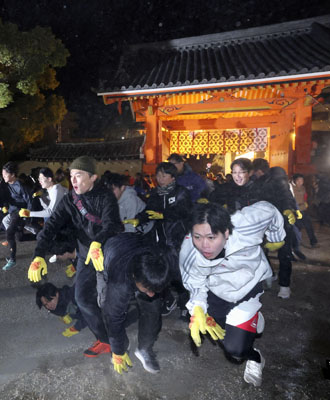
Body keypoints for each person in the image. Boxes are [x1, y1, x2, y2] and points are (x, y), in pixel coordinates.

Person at [179, 201, 285, 387]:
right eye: (197, 236)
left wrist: (277, 236)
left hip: (249, 285)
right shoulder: (189, 252)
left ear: (226, 232)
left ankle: (256, 358)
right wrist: (197, 309)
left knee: (235, 349)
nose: (204, 245)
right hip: (218, 291)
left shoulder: (246, 224)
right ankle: (250, 322)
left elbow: (269, 209)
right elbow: (196, 285)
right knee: (216, 331)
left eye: (211, 237)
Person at [27, 155, 123, 357]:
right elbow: (51, 225)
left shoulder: (105, 197)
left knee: (110, 300)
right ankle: (104, 340)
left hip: (108, 251)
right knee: (82, 298)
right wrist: (38, 255)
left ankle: (121, 340)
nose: (73, 180)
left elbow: (113, 225)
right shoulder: (71, 199)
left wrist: (99, 240)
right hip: (86, 254)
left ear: (93, 177)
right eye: (71, 176)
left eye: (78, 175)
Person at [124, 162, 192, 318]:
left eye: (163, 175)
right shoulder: (156, 193)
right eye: (158, 175)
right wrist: (138, 220)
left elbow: (184, 212)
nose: (159, 179)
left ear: (173, 177)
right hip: (161, 240)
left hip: (178, 240)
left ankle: (187, 305)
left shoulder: (181, 193)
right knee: (162, 273)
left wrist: (165, 215)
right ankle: (168, 301)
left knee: (181, 275)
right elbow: (149, 210)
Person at [98, 233, 170, 374]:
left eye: (154, 289)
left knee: (153, 307)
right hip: (110, 252)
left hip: (140, 243)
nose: (151, 293)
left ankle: (144, 348)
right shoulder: (120, 283)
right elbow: (113, 318)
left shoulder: (164, 261)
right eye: (147, 289)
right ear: (133, 278)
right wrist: (118, 350)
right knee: (106, 307)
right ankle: (124, 345)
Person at [1, 161, 33, 270]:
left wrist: (27, 215)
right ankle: (40, 236)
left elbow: (29, 200)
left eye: (5, 174)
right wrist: (4, 205)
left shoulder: (20, 186)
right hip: (12, 211)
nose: (3, 176)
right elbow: (4, 197)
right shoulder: (5, 184)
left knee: (10, 232)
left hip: (19, 212)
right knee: (20, 238)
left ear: (13, 175)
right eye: (2, 174)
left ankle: (12, 259)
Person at [290, 173, 318, 248]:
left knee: (309, 225)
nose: (300, 182)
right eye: (298, 180)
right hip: (295, 210)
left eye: (302, 180)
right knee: (297, 227)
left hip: (303, 209)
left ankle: (313, 241)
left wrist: (305, 202)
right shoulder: (290, 188)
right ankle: (294, 244)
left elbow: (305, 196)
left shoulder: (303, 188)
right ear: (294, 180)